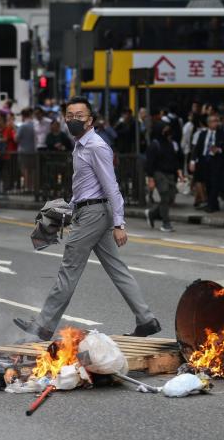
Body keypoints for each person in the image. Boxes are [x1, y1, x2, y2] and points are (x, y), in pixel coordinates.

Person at [13, 96, 160, 341]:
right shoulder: (81, 145)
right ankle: (146, 320)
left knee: (69, 269)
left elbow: (111, 186)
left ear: (90, 120)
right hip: (91, 211)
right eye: (69, 116)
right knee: (117, 269)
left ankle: (43, 325)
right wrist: (68, 209)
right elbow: (86, 186)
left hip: (94, 214)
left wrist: (119, 223)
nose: (73, 119)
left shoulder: (95, 146)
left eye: (79, 116)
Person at [144, 122, 185, 233]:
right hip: (159, 174)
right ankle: (166, 223)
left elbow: (174, 159)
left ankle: (152, 213)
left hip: (170, 174)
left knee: (170, 197)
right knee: (165, 196)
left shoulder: (169, 143)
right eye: (165, 129)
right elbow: (149, 163)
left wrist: (179, 172)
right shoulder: (154, 145)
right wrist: (150, 178)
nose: (167, 131)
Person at [193, 113, 224, 213]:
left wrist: (218, 149)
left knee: (215, 183)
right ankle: (215, 204)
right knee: (208, 184)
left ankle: (210, 205)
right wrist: (193, 161)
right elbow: (197, 148)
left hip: (216, 162)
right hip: (204, 161)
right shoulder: (202, 134)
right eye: (214, 121)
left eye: (217, 121)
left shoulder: (222, 134)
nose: (216, 123)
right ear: (208, 123)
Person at [16, 108, 36, 190]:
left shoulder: (22, 126)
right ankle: (33, 186)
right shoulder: (35, 125)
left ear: (23, 115)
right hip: (34, 151)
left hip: (23, 151)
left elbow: (16, 139)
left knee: (25, 169)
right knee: (33, 169)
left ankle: (27, 187)